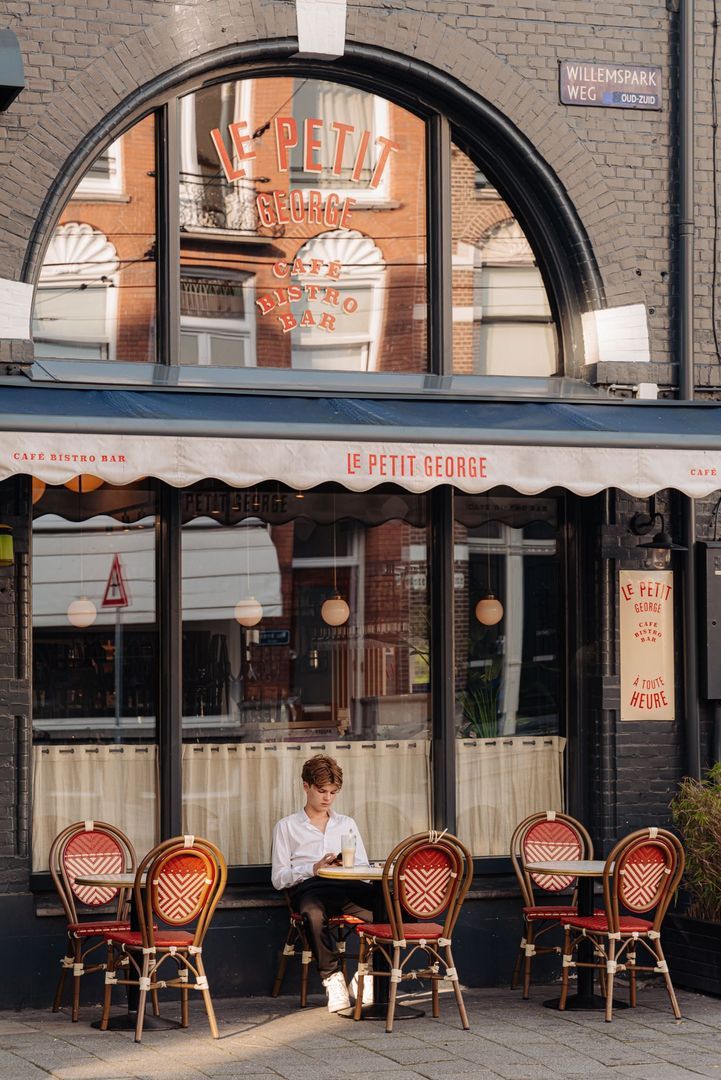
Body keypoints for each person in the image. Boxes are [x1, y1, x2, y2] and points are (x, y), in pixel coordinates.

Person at [271, 753, 373, 1012]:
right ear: (306, 787)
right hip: (310, 888)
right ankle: (332, 978)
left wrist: (346, 867)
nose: (328, 798)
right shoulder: (287, 826)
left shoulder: (346, 823)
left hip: (346, 887)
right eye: (322, 791)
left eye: (333, 792)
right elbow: (279, 878)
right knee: (312, 913)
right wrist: (313, 868)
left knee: (389, 908)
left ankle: (367, 974)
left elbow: (364, 867)